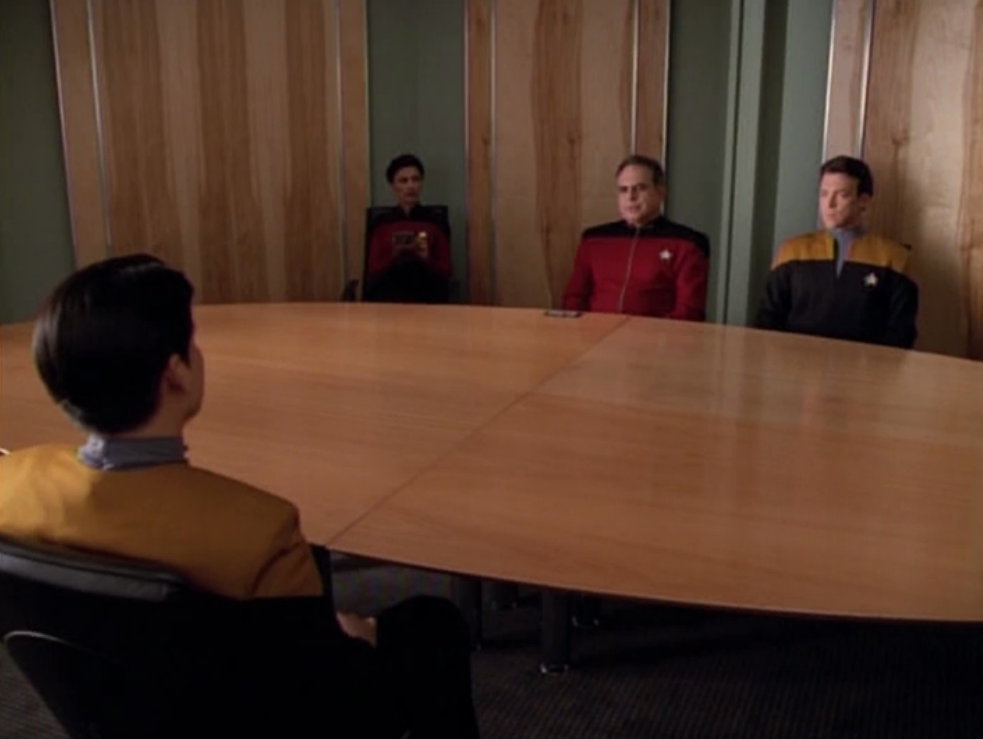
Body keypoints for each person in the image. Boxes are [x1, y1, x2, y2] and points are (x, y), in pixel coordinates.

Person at [0, 254, 480, 738]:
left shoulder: (9, 485)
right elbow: (324, 695)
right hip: (268, 715)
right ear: (175, 374)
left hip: (118, 707)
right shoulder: (260, 535)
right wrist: (356, 641)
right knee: (431, 623)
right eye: (193, 342)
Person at [754, 155, 918, 348]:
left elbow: (901, 333)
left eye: (842, 195)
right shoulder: (792, 251)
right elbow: (767, 320)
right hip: (795, 361)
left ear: (863, 201)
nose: (829, 204)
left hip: (866, 365)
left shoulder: (894, 258)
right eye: (824, 194)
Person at [562, 154, 710, 320]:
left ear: (660, 191)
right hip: (595, 332)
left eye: (640, 188)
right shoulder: (593, 240)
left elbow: (689, 311)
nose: (630, 197)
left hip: (657, 335)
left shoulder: (688, 244)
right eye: (623, 190)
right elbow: (574, 298)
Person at [364, 153, 453, 303]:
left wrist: (425, 259)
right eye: (403, 181)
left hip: (427, 295)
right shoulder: (381, 224)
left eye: (415, 179)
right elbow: (372, 270)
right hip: (388, 296)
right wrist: (394, 257)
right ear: (393, 186)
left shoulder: (435, 222)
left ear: (421, 183)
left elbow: (446, 270)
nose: (410, 186)